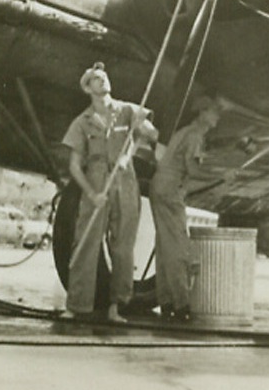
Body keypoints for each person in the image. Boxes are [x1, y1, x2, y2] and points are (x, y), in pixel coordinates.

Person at [61, 62, 157, 322]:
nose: (103, 80)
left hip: (124, 181)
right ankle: (77, 305)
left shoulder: (127, 110)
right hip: (95, 184)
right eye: (96, 78)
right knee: (85, 243)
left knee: (123, 247)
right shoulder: (82, 122)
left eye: (104, 76)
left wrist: (139, 139)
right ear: (87, 88)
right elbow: (74, 166)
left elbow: (151, 134)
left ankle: (117, 307)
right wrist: (92, 194)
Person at [149, 95, 223, 321]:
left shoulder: (184, 132)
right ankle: (181, 304)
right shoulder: (194, 135)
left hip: (159, 187)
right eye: (214, 111)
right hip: (171, 192)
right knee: (178, 247)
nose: (217, 116)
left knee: (164, 245)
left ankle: (166, 302)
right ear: (202, 112)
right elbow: (192, 169)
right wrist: (220, 176)